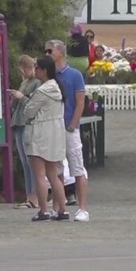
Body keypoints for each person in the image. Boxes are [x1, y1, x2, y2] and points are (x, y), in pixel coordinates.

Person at [46, 39, 91, 222]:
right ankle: (58, 208)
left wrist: (73, 124)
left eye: (50, 51)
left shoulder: (74, 75)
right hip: (54, 127)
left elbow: (80, 102)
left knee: (77, 167)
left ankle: (82, 208)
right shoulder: (49, 76)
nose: (47, 54)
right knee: (56, 169)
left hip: (69, 127)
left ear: (60, 52)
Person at [24, 56, 69, 221]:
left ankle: (43, 210)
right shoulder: (57, 88)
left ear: (44, 71)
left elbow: (28, 111)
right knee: (53, 174)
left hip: (41, 132)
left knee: (39, 174)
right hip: (56, 132)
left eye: (37, 68)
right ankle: (62, 210)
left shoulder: (42, 91)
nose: (35, 70)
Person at [8, 55, 40, 210]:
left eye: (25, 69)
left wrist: (21, 97)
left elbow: (35, 104)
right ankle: (29, 196)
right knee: (24, 162)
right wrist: (14, 97)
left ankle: (35, 196)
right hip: (18, 122)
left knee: (30, 161)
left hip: (28, 123)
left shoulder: (37, 83)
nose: (24, 72)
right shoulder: (24, 82)